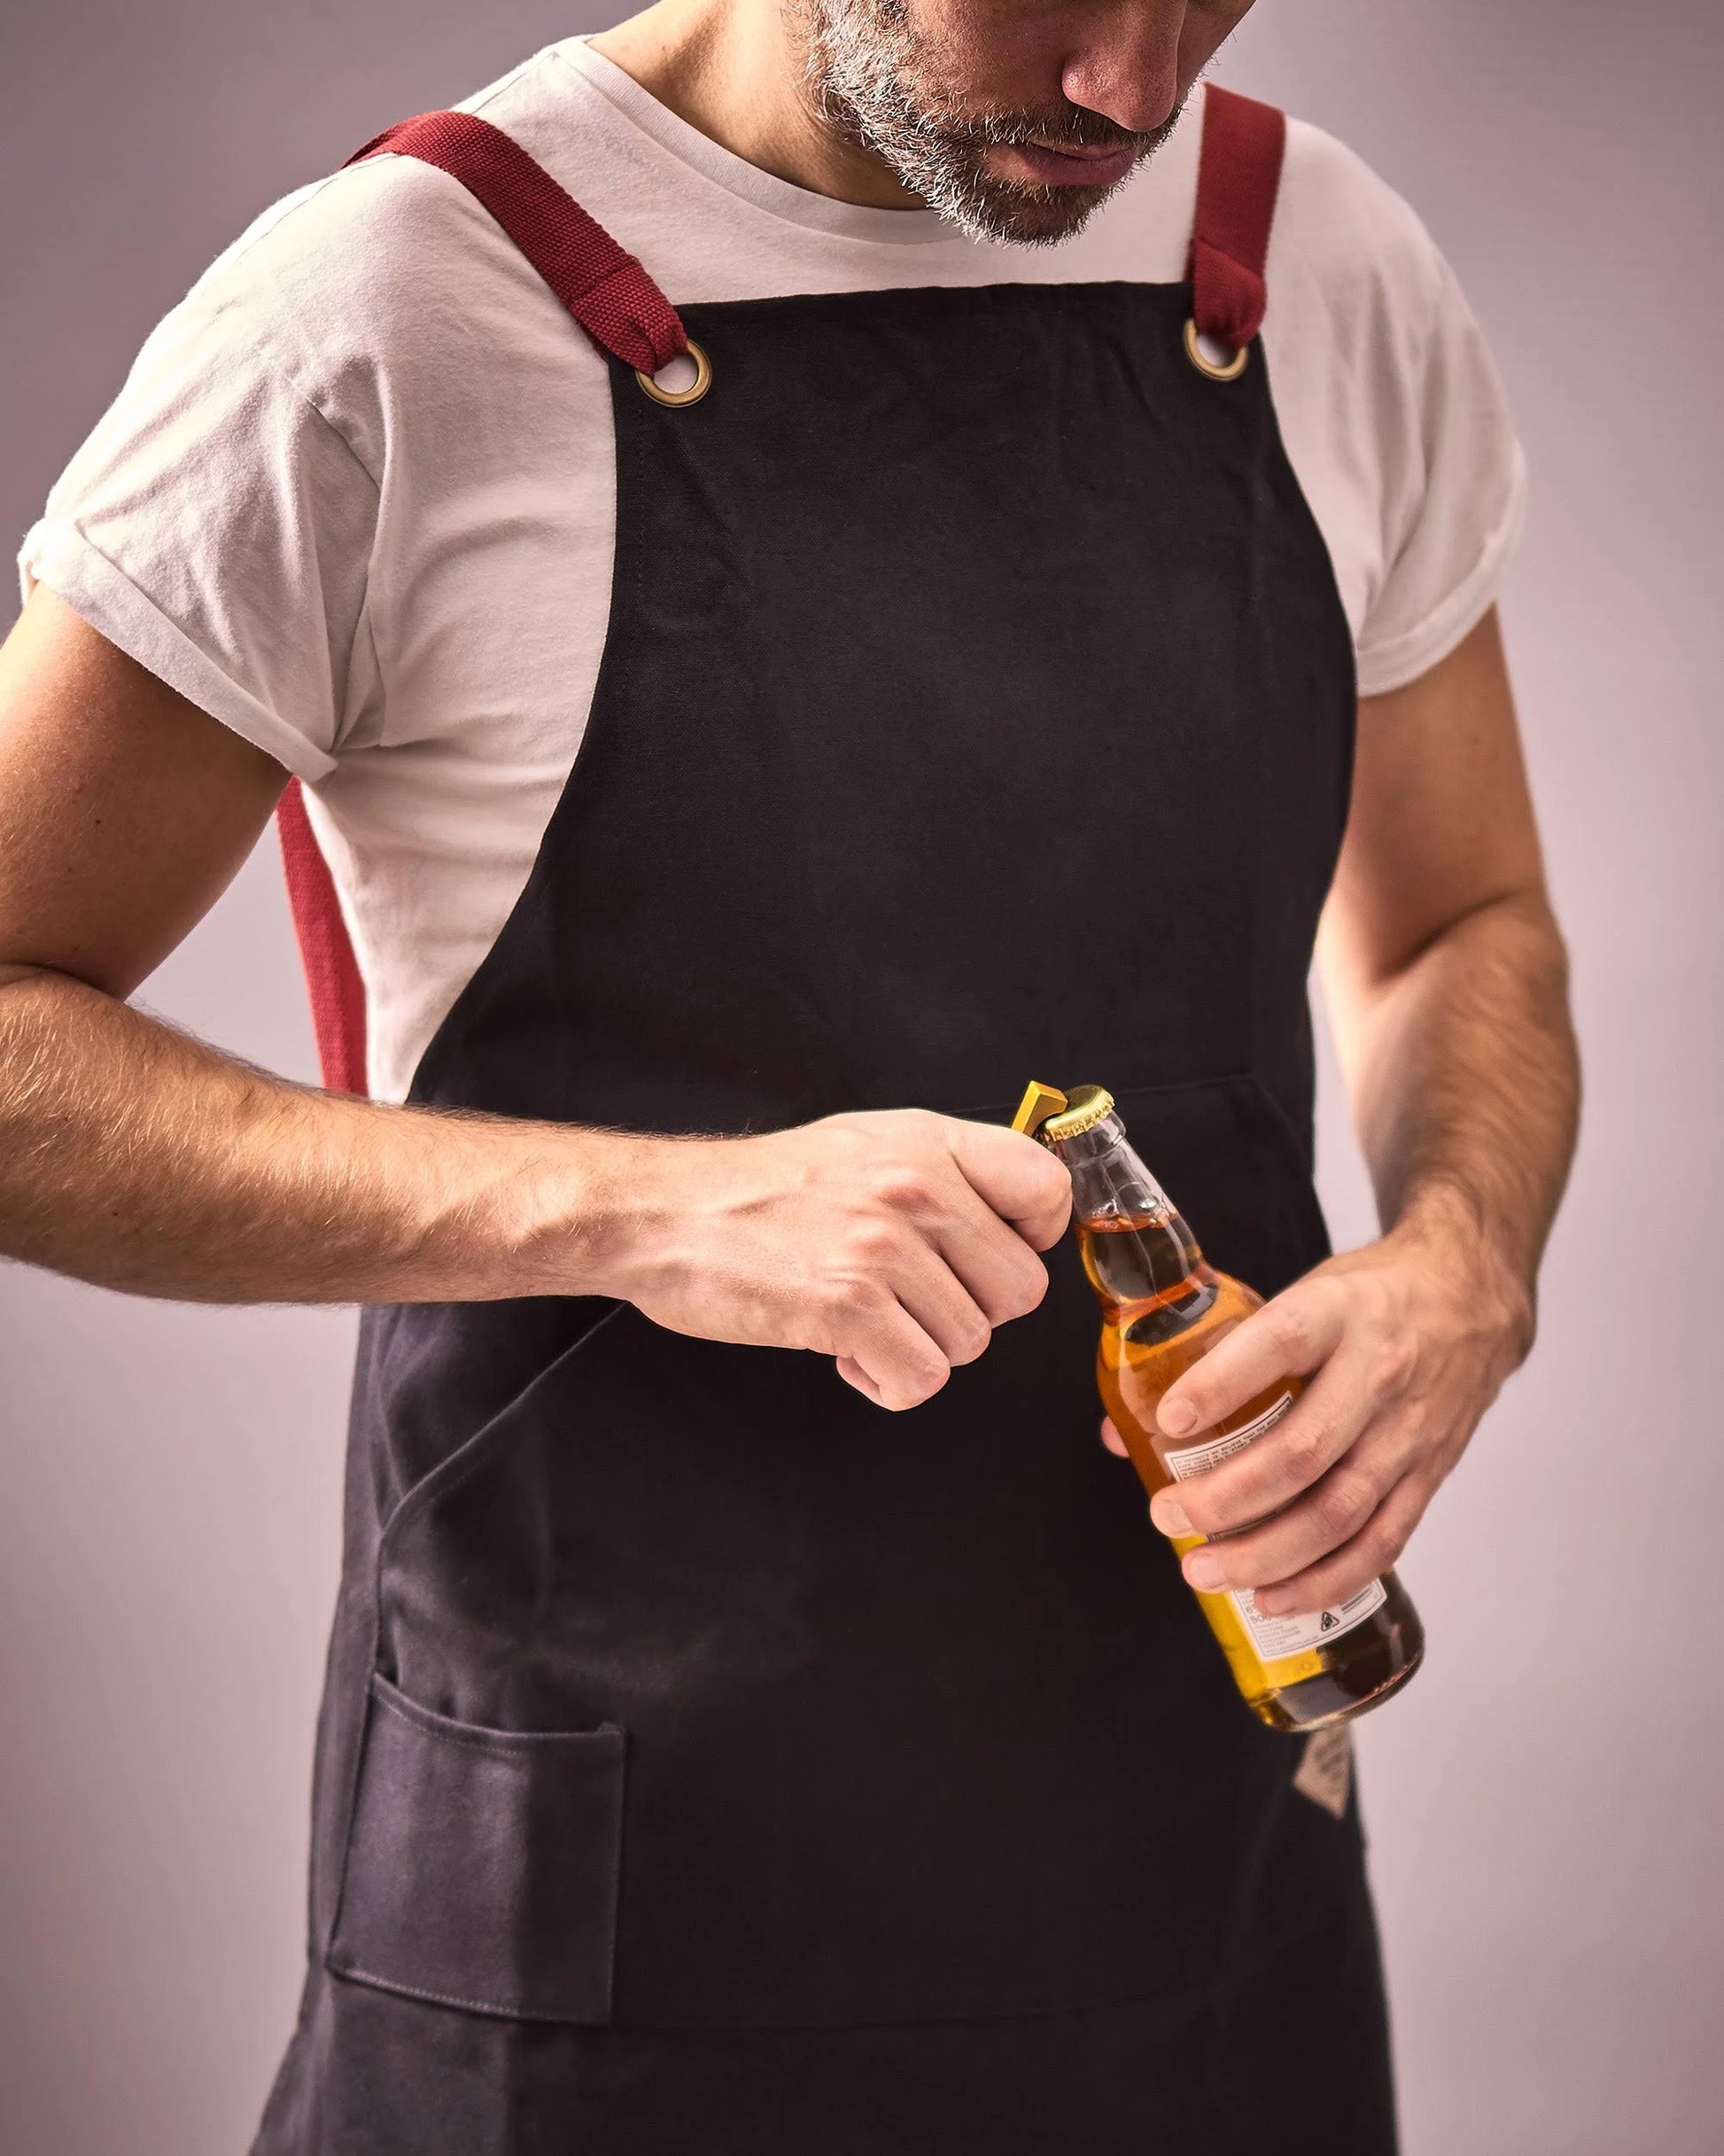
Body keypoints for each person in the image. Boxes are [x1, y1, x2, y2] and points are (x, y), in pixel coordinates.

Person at [0, 0, 1579, 2148]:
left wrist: (1469, 1261)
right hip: (602, 1925)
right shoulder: (389, 313)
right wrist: (649, 1204)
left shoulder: (1311, 263)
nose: (1133, 84)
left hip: (1203, 1877)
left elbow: (1459, 920)